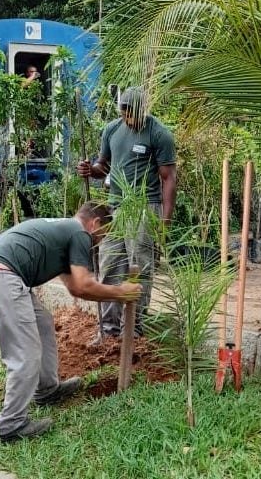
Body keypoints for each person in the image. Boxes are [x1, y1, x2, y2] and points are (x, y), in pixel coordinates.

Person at [0, 201, 142, 443]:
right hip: (0, 276)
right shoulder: (80, 233)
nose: (101, 242)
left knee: (43, 322)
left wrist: (116, 292)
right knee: (26, 352)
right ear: (95, 224)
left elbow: (74, 287)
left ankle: (47, 389)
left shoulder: (63, 231)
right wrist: (121, 293)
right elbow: (84, 285)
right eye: (104, 235)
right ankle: (11, 424)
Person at [77, 86, 177, 340]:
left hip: (145, 208)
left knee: (140, 268)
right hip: (115, 207)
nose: (128, 118)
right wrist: (91, 169)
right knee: (110, 264)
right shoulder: (112, 129)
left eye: (132, 113)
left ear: (143, 110)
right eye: (124, 112)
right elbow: (104, 166)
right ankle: (108, 330)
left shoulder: (159, 133)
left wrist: (164, 221)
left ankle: (133, 329)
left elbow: (168, 178)